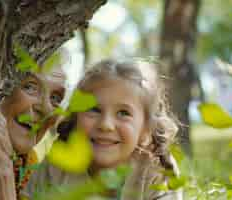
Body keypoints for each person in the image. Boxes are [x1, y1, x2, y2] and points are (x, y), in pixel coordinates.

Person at [25, 59, 182, 200]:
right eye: (94, 110)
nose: (105, 125)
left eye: (123, 113)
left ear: (145, 130)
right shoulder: (56, 168)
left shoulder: (156, 171)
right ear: (75, 118)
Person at [0, 66, 66, 200]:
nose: (47, 109)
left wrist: (3, 176)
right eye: (30, 87)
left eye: (55, 98)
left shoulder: (37, 175)